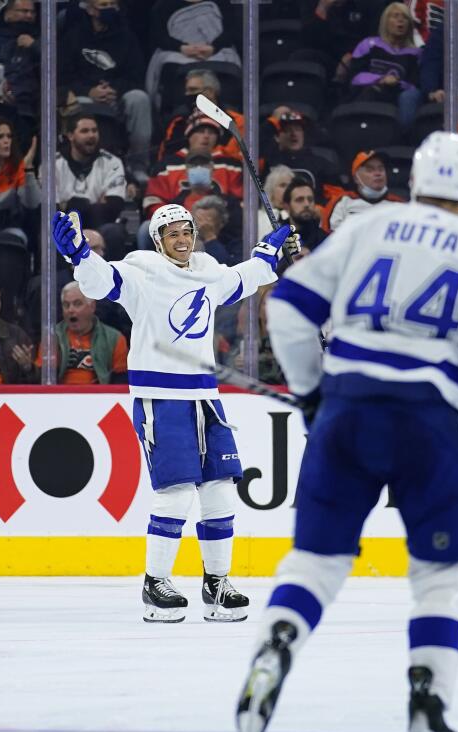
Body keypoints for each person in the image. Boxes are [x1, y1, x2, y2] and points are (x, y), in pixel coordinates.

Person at [237, 131, 458, 732]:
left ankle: (276, 644)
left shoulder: (370, 227)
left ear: (414, 184)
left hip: (350, 410)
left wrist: (310, 393)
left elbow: (290, 310)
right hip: (429, 422)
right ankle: (427, 699)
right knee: (438, 579)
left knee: (316, 562)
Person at [50, 204, 296, 623]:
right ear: (158, 240)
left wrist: (271, 250)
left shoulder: (208, 270)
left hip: (205, 398)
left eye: (187, 232)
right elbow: (100, 281)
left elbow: (245, 276)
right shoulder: (141, 271)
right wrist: (79, 256)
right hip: (160, 397)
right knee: (177, 492)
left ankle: (217, 584)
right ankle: (155, 582)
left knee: (220, 488)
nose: (182, 240)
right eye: (172, 234)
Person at [59, 0, 153, 177]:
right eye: (103, 5)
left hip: (117, 96)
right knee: (74, 103)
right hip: (85, 97)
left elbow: (136, 77)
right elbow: (63, 78)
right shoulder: (74, 36)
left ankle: (138, 166)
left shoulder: (127, 36)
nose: (109, 9)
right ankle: (78, 164)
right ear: (91, 10)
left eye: (112, 4)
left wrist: (114, 90)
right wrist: (89, 91)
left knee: (139, 99)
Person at [36, 281, 129, 384]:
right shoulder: (52, 338)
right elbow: (42, 379)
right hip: (60, 397)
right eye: (66, 305)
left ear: (92, 306)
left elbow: (121, 382)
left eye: (77, 304)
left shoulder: (114, 339)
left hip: (99, 397)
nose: (70, 310)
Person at [346, 2, 423, 126]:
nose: (400, 21)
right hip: (369, 93)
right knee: (372, 91)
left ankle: (403, 136)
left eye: (404, 18)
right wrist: (381, 79)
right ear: (385, 21)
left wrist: (396, 83)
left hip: (397, 98)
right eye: (396, 16)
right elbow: (354, 77)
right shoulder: (369, 44)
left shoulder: (415, 54)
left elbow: (415, 86)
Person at [54, 112, 128, 229]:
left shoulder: (112, 162)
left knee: (114, 231)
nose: (91, 135)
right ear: (70, 135)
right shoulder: (53, 163)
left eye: (94, 130)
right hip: (64, 229)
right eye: (84, 131)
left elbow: (114, 206)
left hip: (99, 226)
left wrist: (68, 205)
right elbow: (52, 209)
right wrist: (94, 205)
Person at [322, 150, 403, 232]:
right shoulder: (341, 203)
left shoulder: (399, 205)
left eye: (381, 169)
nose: (378, 173)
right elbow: (329, 240)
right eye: (370, 170)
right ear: (356, 178)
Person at [282, 177, 326, 252]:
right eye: (299, 200)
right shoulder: (274, 241)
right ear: (287, 207)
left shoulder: (326, 241)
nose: (306, 204)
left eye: (310, 199)